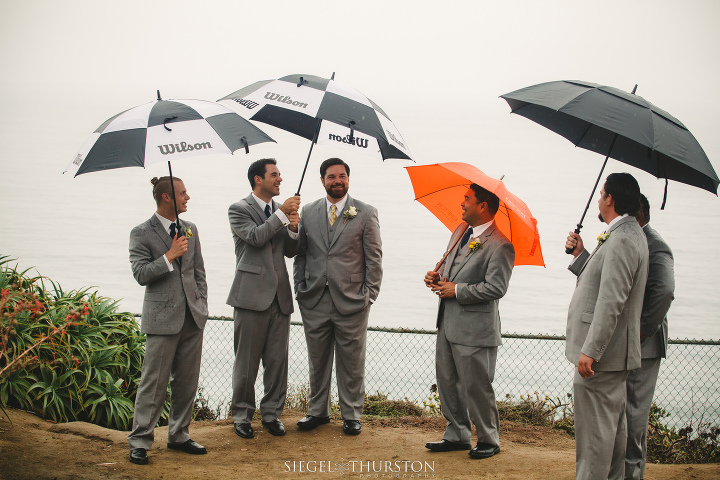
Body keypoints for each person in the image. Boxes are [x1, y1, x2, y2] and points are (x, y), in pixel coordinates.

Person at [564, 173, 648, 480]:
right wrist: (580, 255)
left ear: (610, 198)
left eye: (601, 193)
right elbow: (600, 282)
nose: (599, 199)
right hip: (611, 357)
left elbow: (612, 301)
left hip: (601, 360)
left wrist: (590, 350)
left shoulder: (623, 238)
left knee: (595, 441)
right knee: (611, 436)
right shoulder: (624, 233)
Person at [423, 184, 515, 460]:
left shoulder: (501, 245)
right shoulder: (460, 232)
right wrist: (437, 279)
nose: (461, 203)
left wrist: (457, 290)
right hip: (447, 323)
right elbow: (453, 272)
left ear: (483, 206)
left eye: (467, 199)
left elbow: (496, 288)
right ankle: (457, 433)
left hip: (476, 330)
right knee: (447, 381)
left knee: (477, 386)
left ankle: (489, 439)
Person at [293, 158, 382, 435]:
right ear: (322, 180)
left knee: (352, 362)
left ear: (348, 179)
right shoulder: (307, 211)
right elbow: (300, 254)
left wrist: (370, 295)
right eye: (331, 177)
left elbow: (374, 258)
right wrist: (300, 288)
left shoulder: (365, 213)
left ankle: (351, 414)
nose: (337, 181)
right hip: (315, 298)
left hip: (353, 300)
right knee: (317, 360)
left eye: (342, 176)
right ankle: (317, 412)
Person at [127, 176, 209, 465]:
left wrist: (202, 305)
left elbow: (199, 272)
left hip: (192, 317)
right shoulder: (141, 232)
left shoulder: (190, 229)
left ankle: (179, 435)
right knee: (154, 383)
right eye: (183, 193)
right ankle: (140, 441)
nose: (188, 197)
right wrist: (168, 256)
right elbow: (140, 274)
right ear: (166, 198)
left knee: (187, 381)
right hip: (161, 319)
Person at [227, 158, 301, 439]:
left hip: (279, 297)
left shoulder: (278, 212)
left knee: (277, 361)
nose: (280, 179)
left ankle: (272, 414)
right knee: (246, 362)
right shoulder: (239, 209)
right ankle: (242, 416)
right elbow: (256, 238)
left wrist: (293, 227)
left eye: (280, 174)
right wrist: (282, 215)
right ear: (258, 179)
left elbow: (290, 251)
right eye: (274, 175)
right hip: (250, 296)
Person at [625, 194, 675, 480]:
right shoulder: (629, 240)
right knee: (625, 414)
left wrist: (641, 332)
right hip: (627, 342)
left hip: (643, 345)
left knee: (633, 417)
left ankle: (632, 475)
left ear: (638, 212)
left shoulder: (656, 246)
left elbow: (664, 292)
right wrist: (580, 255)